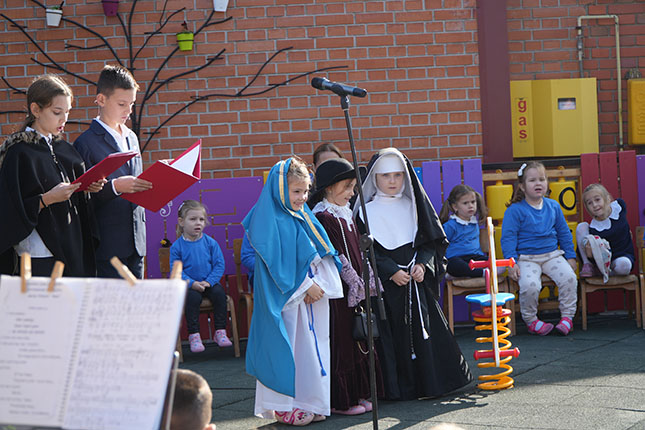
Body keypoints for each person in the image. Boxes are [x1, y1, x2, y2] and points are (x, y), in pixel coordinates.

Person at [354, 147, 472, 401]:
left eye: (398, 175)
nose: (393, 181)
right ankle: (398, 390)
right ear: (374, 178)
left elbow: (432, 243)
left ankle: (429, 386)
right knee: (391, 338)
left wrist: (424, 265)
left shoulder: (415, 207)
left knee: (425, 334)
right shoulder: (366, 212)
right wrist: (389, 271)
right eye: (386, 176)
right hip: (387, 289)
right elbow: (363, 251)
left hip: (415, 284)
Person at [243, 157, 343, 426]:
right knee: (288, 349)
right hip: (287, 301)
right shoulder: (267, 218)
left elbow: (322, 252)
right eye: (296, 191)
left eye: (306, 190)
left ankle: (311, 401)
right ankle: (283, 406)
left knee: (312, 349)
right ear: (279, 189)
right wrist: (304, 286)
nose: (302, 197)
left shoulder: (303, 216)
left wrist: (321, 283)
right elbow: (274, 261)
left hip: (311, 298)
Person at [0, 74, 104, 277]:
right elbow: (8, 211)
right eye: (57, 112)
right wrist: (47, 199)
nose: (64, 119)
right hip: (38, 254)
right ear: (36, 110)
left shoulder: (65, 150)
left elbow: (79, 202)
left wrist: (88, 187)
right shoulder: (19, 153)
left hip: (72, 247)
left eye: (67, 112)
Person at [309, 158, 383, 415]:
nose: (352, 193)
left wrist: (368, 277)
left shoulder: (347, 215)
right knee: (342, 340)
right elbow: (337, 255)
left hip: (357, 288)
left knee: (359, 338)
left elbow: (356, 249)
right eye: (348, 187)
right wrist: (354, 281)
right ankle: (341, 399)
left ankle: (360, 392)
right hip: (340, 291)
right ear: (329, 188)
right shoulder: (324, 216)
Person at [74, 64, 152, 279]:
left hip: (137, 243)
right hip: (107, 245)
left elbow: (136, 183)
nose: (128, 110)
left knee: (137, 309)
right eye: (121, 104)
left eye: (132, 104)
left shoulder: (131, 137)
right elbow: (82, 198)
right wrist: (116, 187)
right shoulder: (85, 144)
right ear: (101, 100)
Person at [501, 162, 578, 336]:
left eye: (542, 179)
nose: (538, 183)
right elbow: (508, 238)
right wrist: (511, 262)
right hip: (526, 258)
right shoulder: (515, 211)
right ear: (521, 186)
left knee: (569, 278)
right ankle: (532, 321)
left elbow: (564, 233)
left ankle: (567, 318)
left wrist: (571, 256)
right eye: (532, 180)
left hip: (552, 255)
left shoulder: (553, 206)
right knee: (530, 285)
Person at [170, 200, 232, 353]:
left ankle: (220, 332)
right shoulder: (177, 246)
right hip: (190, 286)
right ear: (181, 222)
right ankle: (194, 335)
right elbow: (176, 270)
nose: (198, 223)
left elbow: (219, 265)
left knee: (219, 294)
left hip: (208, 283)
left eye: (201, 219)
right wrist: (192, 283)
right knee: (193, 299)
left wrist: (209, 282)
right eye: (193, 219)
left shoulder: (211, 243)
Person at [576, 184, 634, 278]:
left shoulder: (619, 207)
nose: (595, 205)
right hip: (603, 260)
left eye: (597, 200)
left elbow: (623, 226)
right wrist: (590, 253)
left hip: (622, 255)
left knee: (624, 265)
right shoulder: (594, 228)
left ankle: (607, 273)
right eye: (590, 203)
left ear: (607, 198)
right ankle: (590, 266)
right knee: (582, 226)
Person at [439, 184, 489, 278]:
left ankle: (470, 273)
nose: (470, 206)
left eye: (473, 202)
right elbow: (441, 245)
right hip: (457, 258)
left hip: (475, 257)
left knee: (497, 265)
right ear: (455, 207)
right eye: (465, 203)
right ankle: (481, 273)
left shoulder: (474, 223)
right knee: (453, 266)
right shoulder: (450, 225)